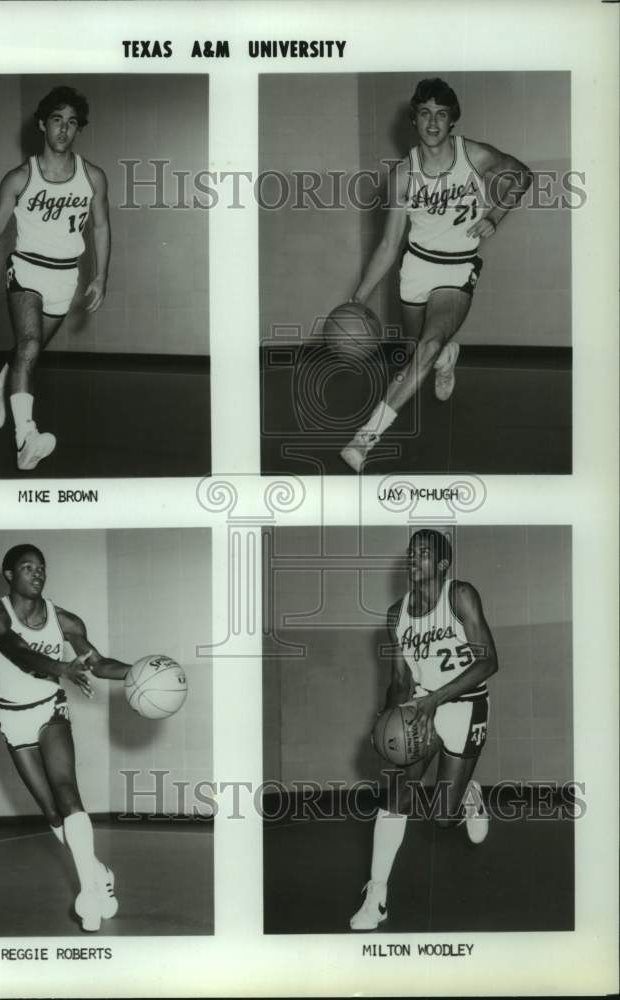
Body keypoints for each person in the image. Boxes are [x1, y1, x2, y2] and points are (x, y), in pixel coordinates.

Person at [341, 78, 532, 472]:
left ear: (452, 121)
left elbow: (522, 174)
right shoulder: (403, 175)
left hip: (458, 267)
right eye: (425, 113)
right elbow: (388, 245)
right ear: (414, 120)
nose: (432, 122)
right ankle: (447, 353)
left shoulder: (473, 156)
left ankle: (365, 438)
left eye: (441, 114)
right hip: (416, 267)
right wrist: (357, 299)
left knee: (424, 347)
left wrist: (495, 214)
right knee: (420, 353)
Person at [350, 529, 497, 931]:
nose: (414, 559)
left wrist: (434, 701)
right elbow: (399, 681)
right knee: (398, 796)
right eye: (411, 553)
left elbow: (488, 663)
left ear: (444, 563)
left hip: (467, 707)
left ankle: (470, 794)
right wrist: (383, 720)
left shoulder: (460, 595)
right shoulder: (396, 615)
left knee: (443, 820)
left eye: (424, 554)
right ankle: (377, 895)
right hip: (421, 706)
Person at [0, 544, 130, 932]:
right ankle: (100, 873)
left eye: (42, 567)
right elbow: (19, 653)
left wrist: (140, 672)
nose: (37, 573)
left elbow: (97, 664)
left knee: (67, 793)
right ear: (9, 575)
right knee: (50, 813)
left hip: (51, 709)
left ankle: (88, 894)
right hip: (12, 719)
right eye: (28, 567)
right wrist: (61, 666)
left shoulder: (64, 620)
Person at [0, 85, 110, 471]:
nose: (64, 129)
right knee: (29, 346)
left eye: (72, 123)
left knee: (27, 355)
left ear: (78, 129)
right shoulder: (19, 177)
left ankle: (1, 383)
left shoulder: (93, 176)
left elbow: (100, 227)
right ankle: (26, 439)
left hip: (65, 276)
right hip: (26, 269)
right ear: (41, 125)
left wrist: (100, 275)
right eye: (56, 121)